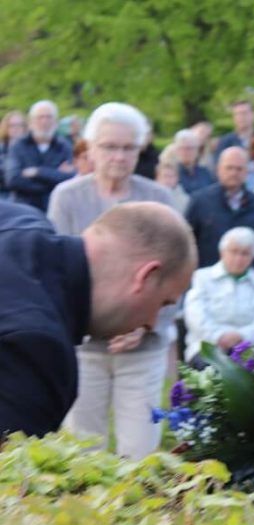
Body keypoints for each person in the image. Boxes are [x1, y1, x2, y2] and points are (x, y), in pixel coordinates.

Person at [0, 201, 196, 439]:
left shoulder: (15, 216)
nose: (152, 323)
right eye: (163, 303)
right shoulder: (38, 351)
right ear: (145, 276)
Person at [48, 102, 177, 460]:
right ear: (90, 148)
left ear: (140, 150)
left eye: (128, 147)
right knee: (81, 455)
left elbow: (174, 275)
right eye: (109, 146)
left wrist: (145, 326)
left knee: (140, 454)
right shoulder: (67, 198)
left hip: (142, 350)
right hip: (83, 349)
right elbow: (56, 273)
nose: (119, 156)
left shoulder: (159, 199)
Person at [184, 227, 254, 362]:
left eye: (245, 254)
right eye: (233, 252)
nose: (238, 258)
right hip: (207, 347)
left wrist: (241, 336)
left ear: (253, 257)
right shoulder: (202, 278)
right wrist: (219, 336)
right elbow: (195, 316)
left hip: (249, 348)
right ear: (222, 252)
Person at [185, 146, 254, 278]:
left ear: (247, 172)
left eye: (239, 169)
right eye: (229, 168)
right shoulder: (200, 201)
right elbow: (187, 243)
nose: (234, 173)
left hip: (246, 283)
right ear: (219, 170)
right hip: (207, 282)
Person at [5, 100, 74, 212]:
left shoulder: (65, 147)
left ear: (56, 122)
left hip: (55, 210)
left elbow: (70, 178)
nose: (44, 121)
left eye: (49, 117)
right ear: (31, 122)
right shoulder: (18, 146)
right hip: (24, 211)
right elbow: (13, 179)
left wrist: (38, 172)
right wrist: (53, 179)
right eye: (40, 117)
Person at [173, 128, 215, 194]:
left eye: (190, 148)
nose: (186, 152)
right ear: (177, 150)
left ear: (197, 150)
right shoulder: (171, 173)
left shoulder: (205, 172)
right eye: (183, 148)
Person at [0, 110, 27, 201]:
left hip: (26, 195)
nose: (16, 128)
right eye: (12, 125)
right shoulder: (1, 149)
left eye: (19, 125)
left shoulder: (31, 149)